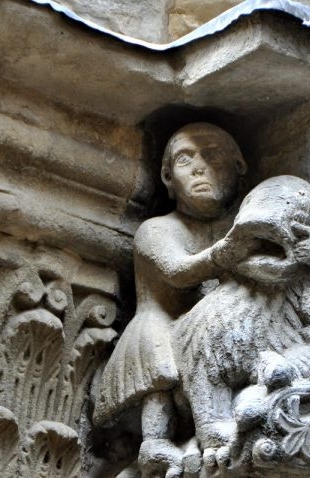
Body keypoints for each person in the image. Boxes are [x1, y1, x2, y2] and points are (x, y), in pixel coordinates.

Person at [93, 122, 252, 477]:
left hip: (215, 332)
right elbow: (179, 270)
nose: (200, 166)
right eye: (185, 159)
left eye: (212, 154)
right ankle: (155, 442)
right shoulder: (157, 229)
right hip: (162, 323)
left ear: (239, 165)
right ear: (167, 178)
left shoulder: (241, 222)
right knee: (163, 366)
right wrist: (228, 253)